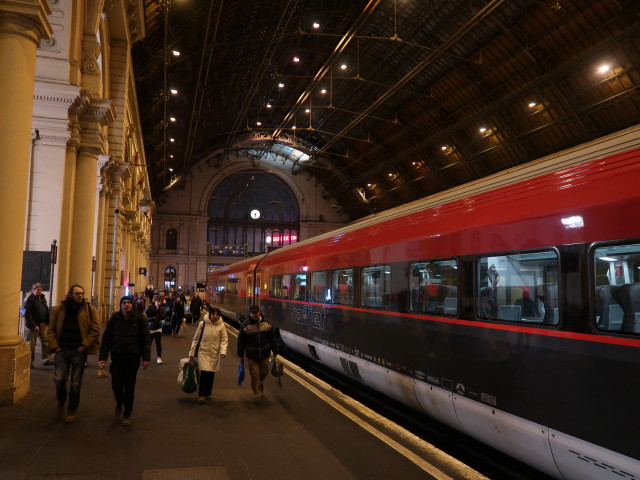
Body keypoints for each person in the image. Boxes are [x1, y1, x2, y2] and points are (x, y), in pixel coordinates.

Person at [47, 284, 101, 423]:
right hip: (62, 350)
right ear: (70, 294)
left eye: (82, 293)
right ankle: (61, 401)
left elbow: (95, 329)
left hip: (78, 351)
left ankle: (72, 409)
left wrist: (85, 345)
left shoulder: (90, 310)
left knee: (76, 383)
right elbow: (51, 329)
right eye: (77, 293)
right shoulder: (59, 310)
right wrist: (55, 346)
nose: (80, 296)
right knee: (59, 380)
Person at [98, 295, 151, 426]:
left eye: (129, 303)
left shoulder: (139, 319)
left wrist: (146, 358)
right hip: (117, 357)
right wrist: (102, 358)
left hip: (132, 358)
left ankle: (127, 413)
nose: (126, 305)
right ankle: (119, 401)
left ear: (132, 305)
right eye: (124, 303)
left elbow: (145, 340)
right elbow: (106, 340)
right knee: (116, 385)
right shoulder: (114, 319)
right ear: (120, 305)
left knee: (129, 386)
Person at [237, 305, 279, 403]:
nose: (255, 314)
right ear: (250, 313)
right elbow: (241, 341)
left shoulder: (267, 323)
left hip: (265, 353)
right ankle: (256, 393)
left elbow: (273, 337)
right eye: (253, 312)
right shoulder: (245, 325)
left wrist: (275, 350)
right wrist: (241, 355)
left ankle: (259, 384)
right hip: (252, 354)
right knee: (254, 374)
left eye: (257, 312)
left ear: (259, 312)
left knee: (264, 372)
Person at [189, 304, 228, 404]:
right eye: (213, 314)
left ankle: (208, 393)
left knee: (211, 374)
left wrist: (223, 351)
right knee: (204, 373)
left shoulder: (221, 325)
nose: (215, 316)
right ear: (210, 315)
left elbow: (224, 339)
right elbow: (196, 338)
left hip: (214, 353)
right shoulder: (203, 324)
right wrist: (192, 352)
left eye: (217, 314)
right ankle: (201, 395)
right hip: (203, 352)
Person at [23, 283, 53, 368]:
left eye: (40, 289)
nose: (39, 291)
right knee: (31, 344)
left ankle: (47, 359)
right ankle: (29, 362)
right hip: (33, 325)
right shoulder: (29, 299)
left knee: (45, 341)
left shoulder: (42, 298)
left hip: (43, 323)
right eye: (37, 290)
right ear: (33, 290)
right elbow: (27, 314)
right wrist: (33, 325)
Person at [145, 296, 165, 364]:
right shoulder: (150, 307)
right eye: (158, 301)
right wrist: (151, 319)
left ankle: (159, 358)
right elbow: (145, 316)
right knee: (148, 343)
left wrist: (159, 311)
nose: (159, 303)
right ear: (155, 301)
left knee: (158, 343)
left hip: (158, 327)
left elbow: (163, 317)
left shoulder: (162, 308)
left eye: (160, 302)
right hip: (150, 327)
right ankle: (146, 357)